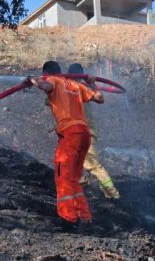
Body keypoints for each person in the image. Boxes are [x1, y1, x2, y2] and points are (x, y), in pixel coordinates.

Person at [27, 61, 104, 228]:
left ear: (47, 72)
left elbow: (45, 87)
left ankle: (68, 218)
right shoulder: (75, 84)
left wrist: (34, 80)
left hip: (70, 134)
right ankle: (84, 216)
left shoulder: (53, 80)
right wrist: (92, 83)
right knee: (73, 178)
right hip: (84, 134)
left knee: (62, 176)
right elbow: (99, 98)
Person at [67, 63, 120, 200]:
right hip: (74, 133)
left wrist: (91, 84)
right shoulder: (77, 88)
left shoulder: (79, 88)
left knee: (93, 165)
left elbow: (100, 98)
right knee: (69, 161)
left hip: (84, 133)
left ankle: (112, 195)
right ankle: (83, 184)